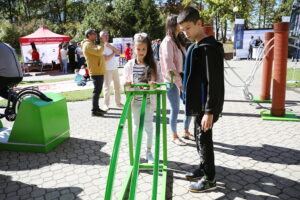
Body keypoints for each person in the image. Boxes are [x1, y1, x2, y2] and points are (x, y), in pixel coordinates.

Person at [178, 7, 224, 192]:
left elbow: (215, 82)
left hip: (207, 107)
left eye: (188, 28)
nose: (185, 33)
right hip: (198, 104)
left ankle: (210, 178)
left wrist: (210, 111)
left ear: (199, 23)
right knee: (198, 138)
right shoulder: (197, 46)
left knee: (204, 139)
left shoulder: (209, 48)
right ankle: (203, 167)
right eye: (182, 30)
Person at [123, 33, 158, 163]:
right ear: (133, 48)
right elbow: (126, 83)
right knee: (136, 127)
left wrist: (153, 85)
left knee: (149, 127)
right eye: (138, 49)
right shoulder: (129, 65)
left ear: (148, 49)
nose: (141, 52)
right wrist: (127, 85)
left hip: (148, 102)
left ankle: (149, 152)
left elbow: (157, 83)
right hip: (135, 103)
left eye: (144, 49)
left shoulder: (152, 65)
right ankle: (135, 152)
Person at [160, 15, 193, 146]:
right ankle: (174, 135)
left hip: (183, 78)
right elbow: (169, 66)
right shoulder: (167, 41)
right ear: (173, 25)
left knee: (189, 106)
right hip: (171, 81)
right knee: (175, 108)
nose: (182, 25)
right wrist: (179, 83)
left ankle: (185, 130)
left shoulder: (178, 40)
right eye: (179, 23)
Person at [82, 29, 106, 117]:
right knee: (96, 91)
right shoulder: (87, 44)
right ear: (88, 35)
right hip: (96, 71)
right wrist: (102, 43)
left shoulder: (91, 44)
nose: (96, 35)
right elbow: (98, 51)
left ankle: (97, 108)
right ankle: (94, 111)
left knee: (98, 91)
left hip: (98, 70)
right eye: (94, 34)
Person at [100, 31, 123, 111]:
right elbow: (106, 58)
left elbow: (119, 52)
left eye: (107, 35)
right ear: (101, 37)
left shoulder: (111, 45)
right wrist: (114, 53)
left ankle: (118, 102)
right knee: (107, 88)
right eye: (104, 35)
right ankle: (105, 105)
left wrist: (110, 46)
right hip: (107, 70)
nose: (107, 36)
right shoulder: (101, 47)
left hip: (115, 68)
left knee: (117, 86)